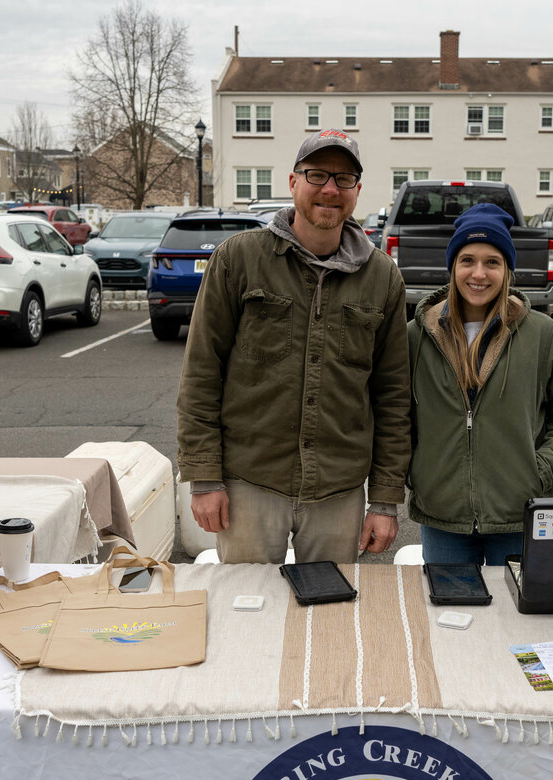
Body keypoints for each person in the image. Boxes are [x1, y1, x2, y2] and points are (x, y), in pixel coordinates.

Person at [176, 130, 410, 564]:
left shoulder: (383, 279)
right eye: (316, 175)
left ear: (357, 190)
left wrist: (383, 499)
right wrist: (204, 477)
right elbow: (202, 374)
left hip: (338, 491)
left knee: (327, 618)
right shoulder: (237, 260)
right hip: (250, 481)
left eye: (343, 179)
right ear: (292, 182)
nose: (329, 190)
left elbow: (393, 398)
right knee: (247, 614)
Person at [408, 202, 553, 565]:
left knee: (518, 618)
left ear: (507, 269)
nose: (478, 273)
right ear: (452, 266)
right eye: (467, 260)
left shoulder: (544, 335)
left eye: (492, 262)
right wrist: (418, 471)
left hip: (520, 515)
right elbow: (394, 418)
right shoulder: (417, 338)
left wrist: (538, 470)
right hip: (443, 519)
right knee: (450, 614)